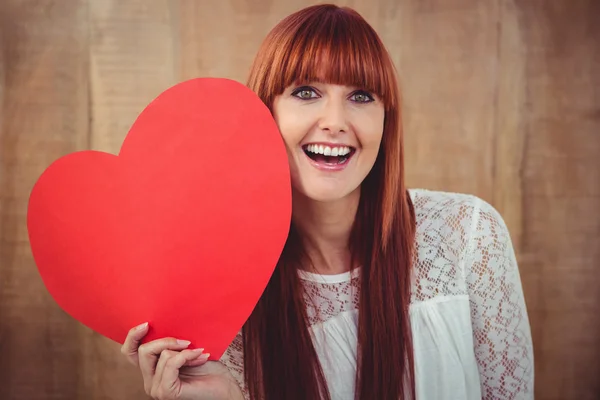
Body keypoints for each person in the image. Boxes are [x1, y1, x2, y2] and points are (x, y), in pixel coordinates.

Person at [120, 4, 534, 400]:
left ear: (386, 121)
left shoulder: (469, 234)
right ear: (263, 113)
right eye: (305, 92)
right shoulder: (225, 296)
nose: (335, 121)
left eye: (361, 96)